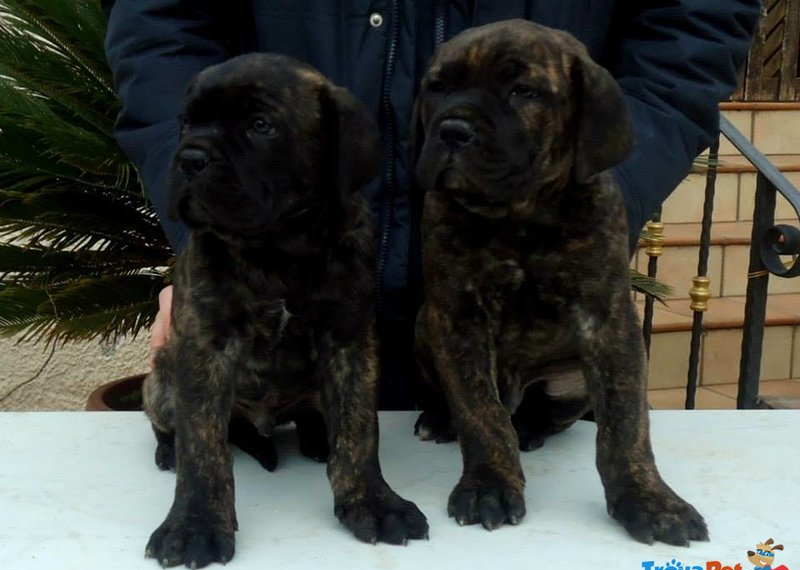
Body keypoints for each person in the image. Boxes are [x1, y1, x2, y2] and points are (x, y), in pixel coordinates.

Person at [102, 1, 761, 408]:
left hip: (528, 371)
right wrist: (219, 241)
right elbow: (162, 28)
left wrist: (582, 209)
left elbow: (688, 35)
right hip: (278, 348)